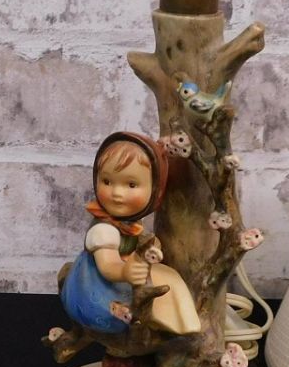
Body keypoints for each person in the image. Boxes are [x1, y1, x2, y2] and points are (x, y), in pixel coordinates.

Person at [60, 132, 201, 345]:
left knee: (167, 276)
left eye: (131, 185)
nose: (117, 193)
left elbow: (135, 242)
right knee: (164, 279)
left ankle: (184, 326)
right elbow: (108, 267)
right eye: (107, 181)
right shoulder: (103, 230)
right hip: (98, 292)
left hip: (118, 279)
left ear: (155, 190)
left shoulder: (129, 224)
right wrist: (125, 271)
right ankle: (178, 326)